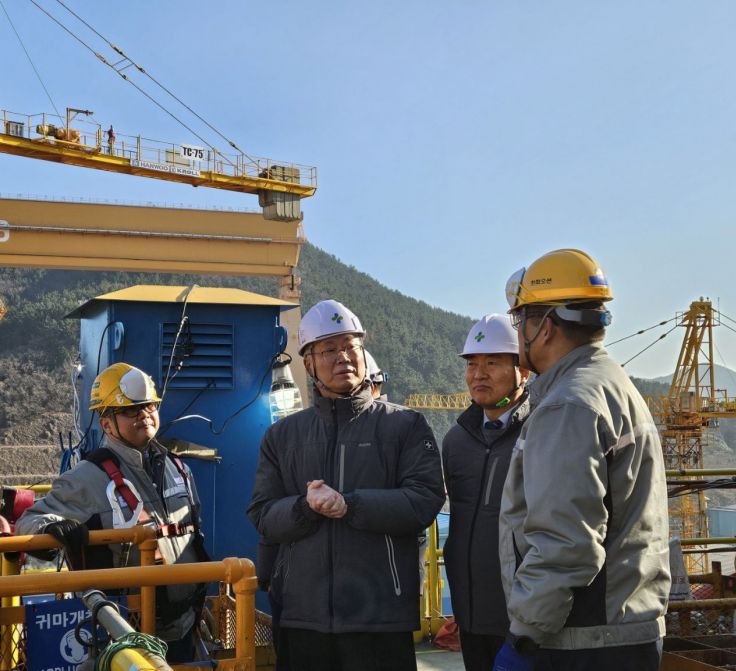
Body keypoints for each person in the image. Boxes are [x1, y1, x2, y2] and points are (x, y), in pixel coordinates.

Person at [493, 249, 671, 671]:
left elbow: (565, 542)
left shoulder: (567, 405)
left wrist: (523, 636)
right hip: (626, 628)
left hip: (585, 642)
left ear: (546, 326)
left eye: (521, 321)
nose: (518, 333)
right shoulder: (612, 385)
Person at [247, 299, 445, 671]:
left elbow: (425, 499)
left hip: (381, 618)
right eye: (329, 349)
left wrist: (349, 505)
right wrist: (305, 508)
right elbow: (262, 513)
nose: (343, 357)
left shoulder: (405, 426)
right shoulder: (282, 436)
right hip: (303, 619)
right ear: (308, 363)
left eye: (351, 346)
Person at [16, 362, 207, 663]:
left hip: (184, 628)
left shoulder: (178, 469)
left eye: (149, 406)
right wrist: (50, 528)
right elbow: (28, 522)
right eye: (131, 411)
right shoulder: (87, 479)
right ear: (106, 424)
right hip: (123, 639)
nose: (144, 415)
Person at [442, 314, 530, 671]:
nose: (479, 374)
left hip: (524, 620)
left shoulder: (540, 433)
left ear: (522, 370)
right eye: (472, 364)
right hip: (471, 614)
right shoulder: (456, 441)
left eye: (492, 362)